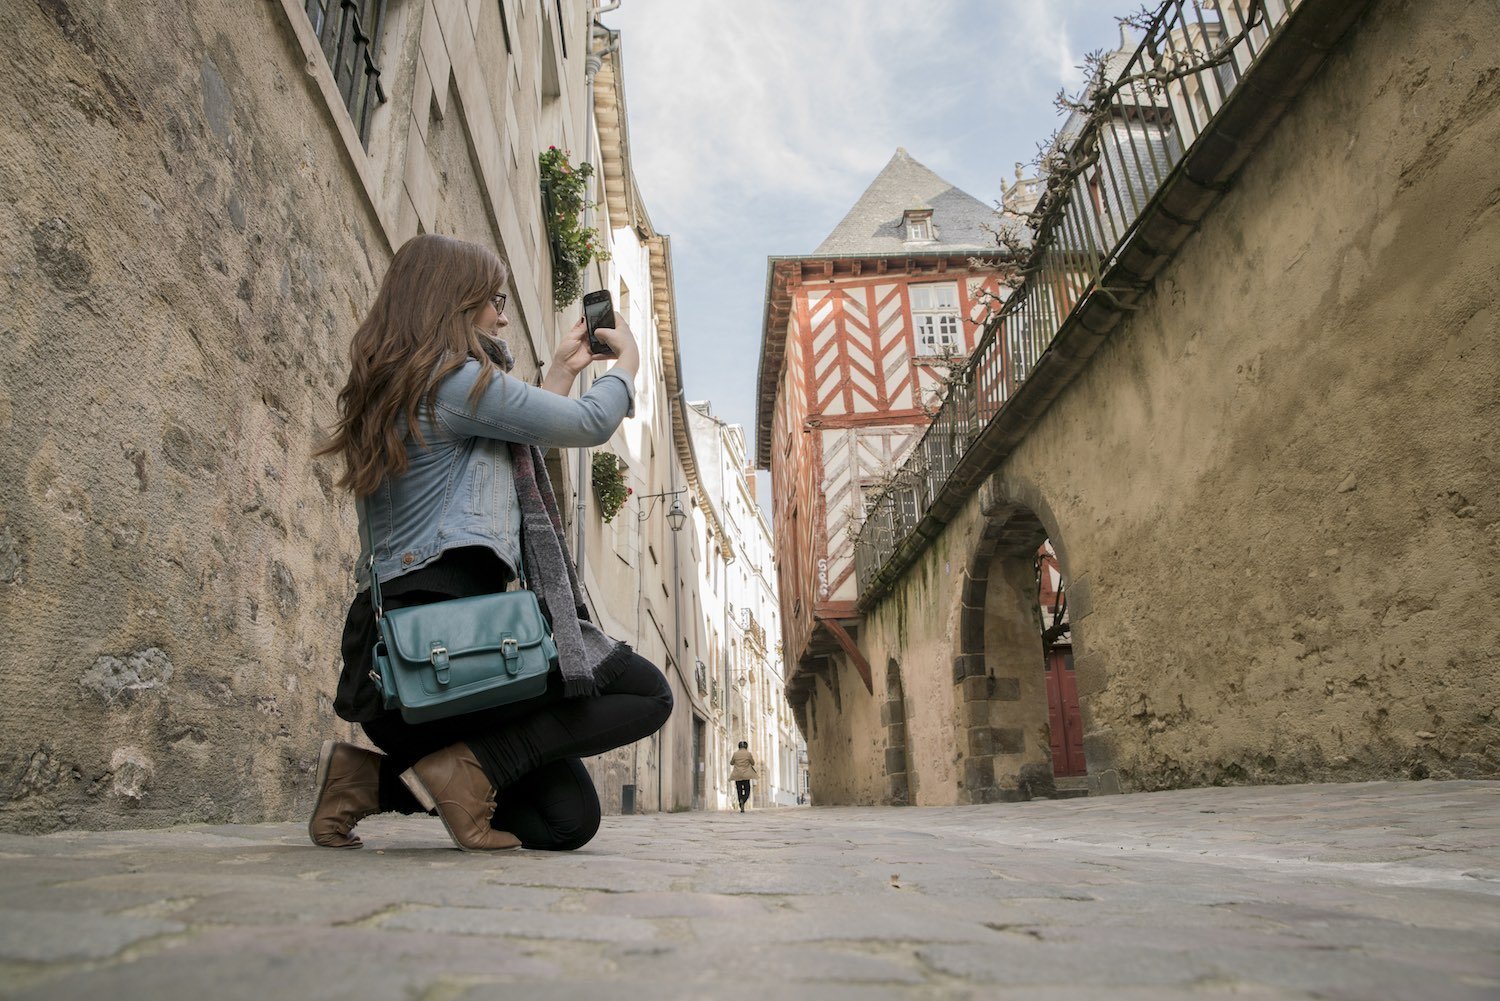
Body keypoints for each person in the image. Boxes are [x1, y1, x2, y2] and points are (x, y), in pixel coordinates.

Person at [307, 233, 673, 853]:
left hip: (409, 657)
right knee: (647, 692)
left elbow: (518, 438)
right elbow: (588, 423)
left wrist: (559, 373)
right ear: (455, 301)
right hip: (452, 647)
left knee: (567, 821)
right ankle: (466, 770)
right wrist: (629, 365)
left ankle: (368, 784)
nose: (504, 315)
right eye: (493, 299)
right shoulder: (452, 381)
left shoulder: (417, 383)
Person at [729, 741, 757, 812]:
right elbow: (753, 763)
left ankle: (740, 801)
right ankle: (743, 801)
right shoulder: (748, 754)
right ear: (746, 746)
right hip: (746, 775)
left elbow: (731, 763)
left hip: (737, 774)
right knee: (747, 790)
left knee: (739, 790)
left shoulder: (735, 754)